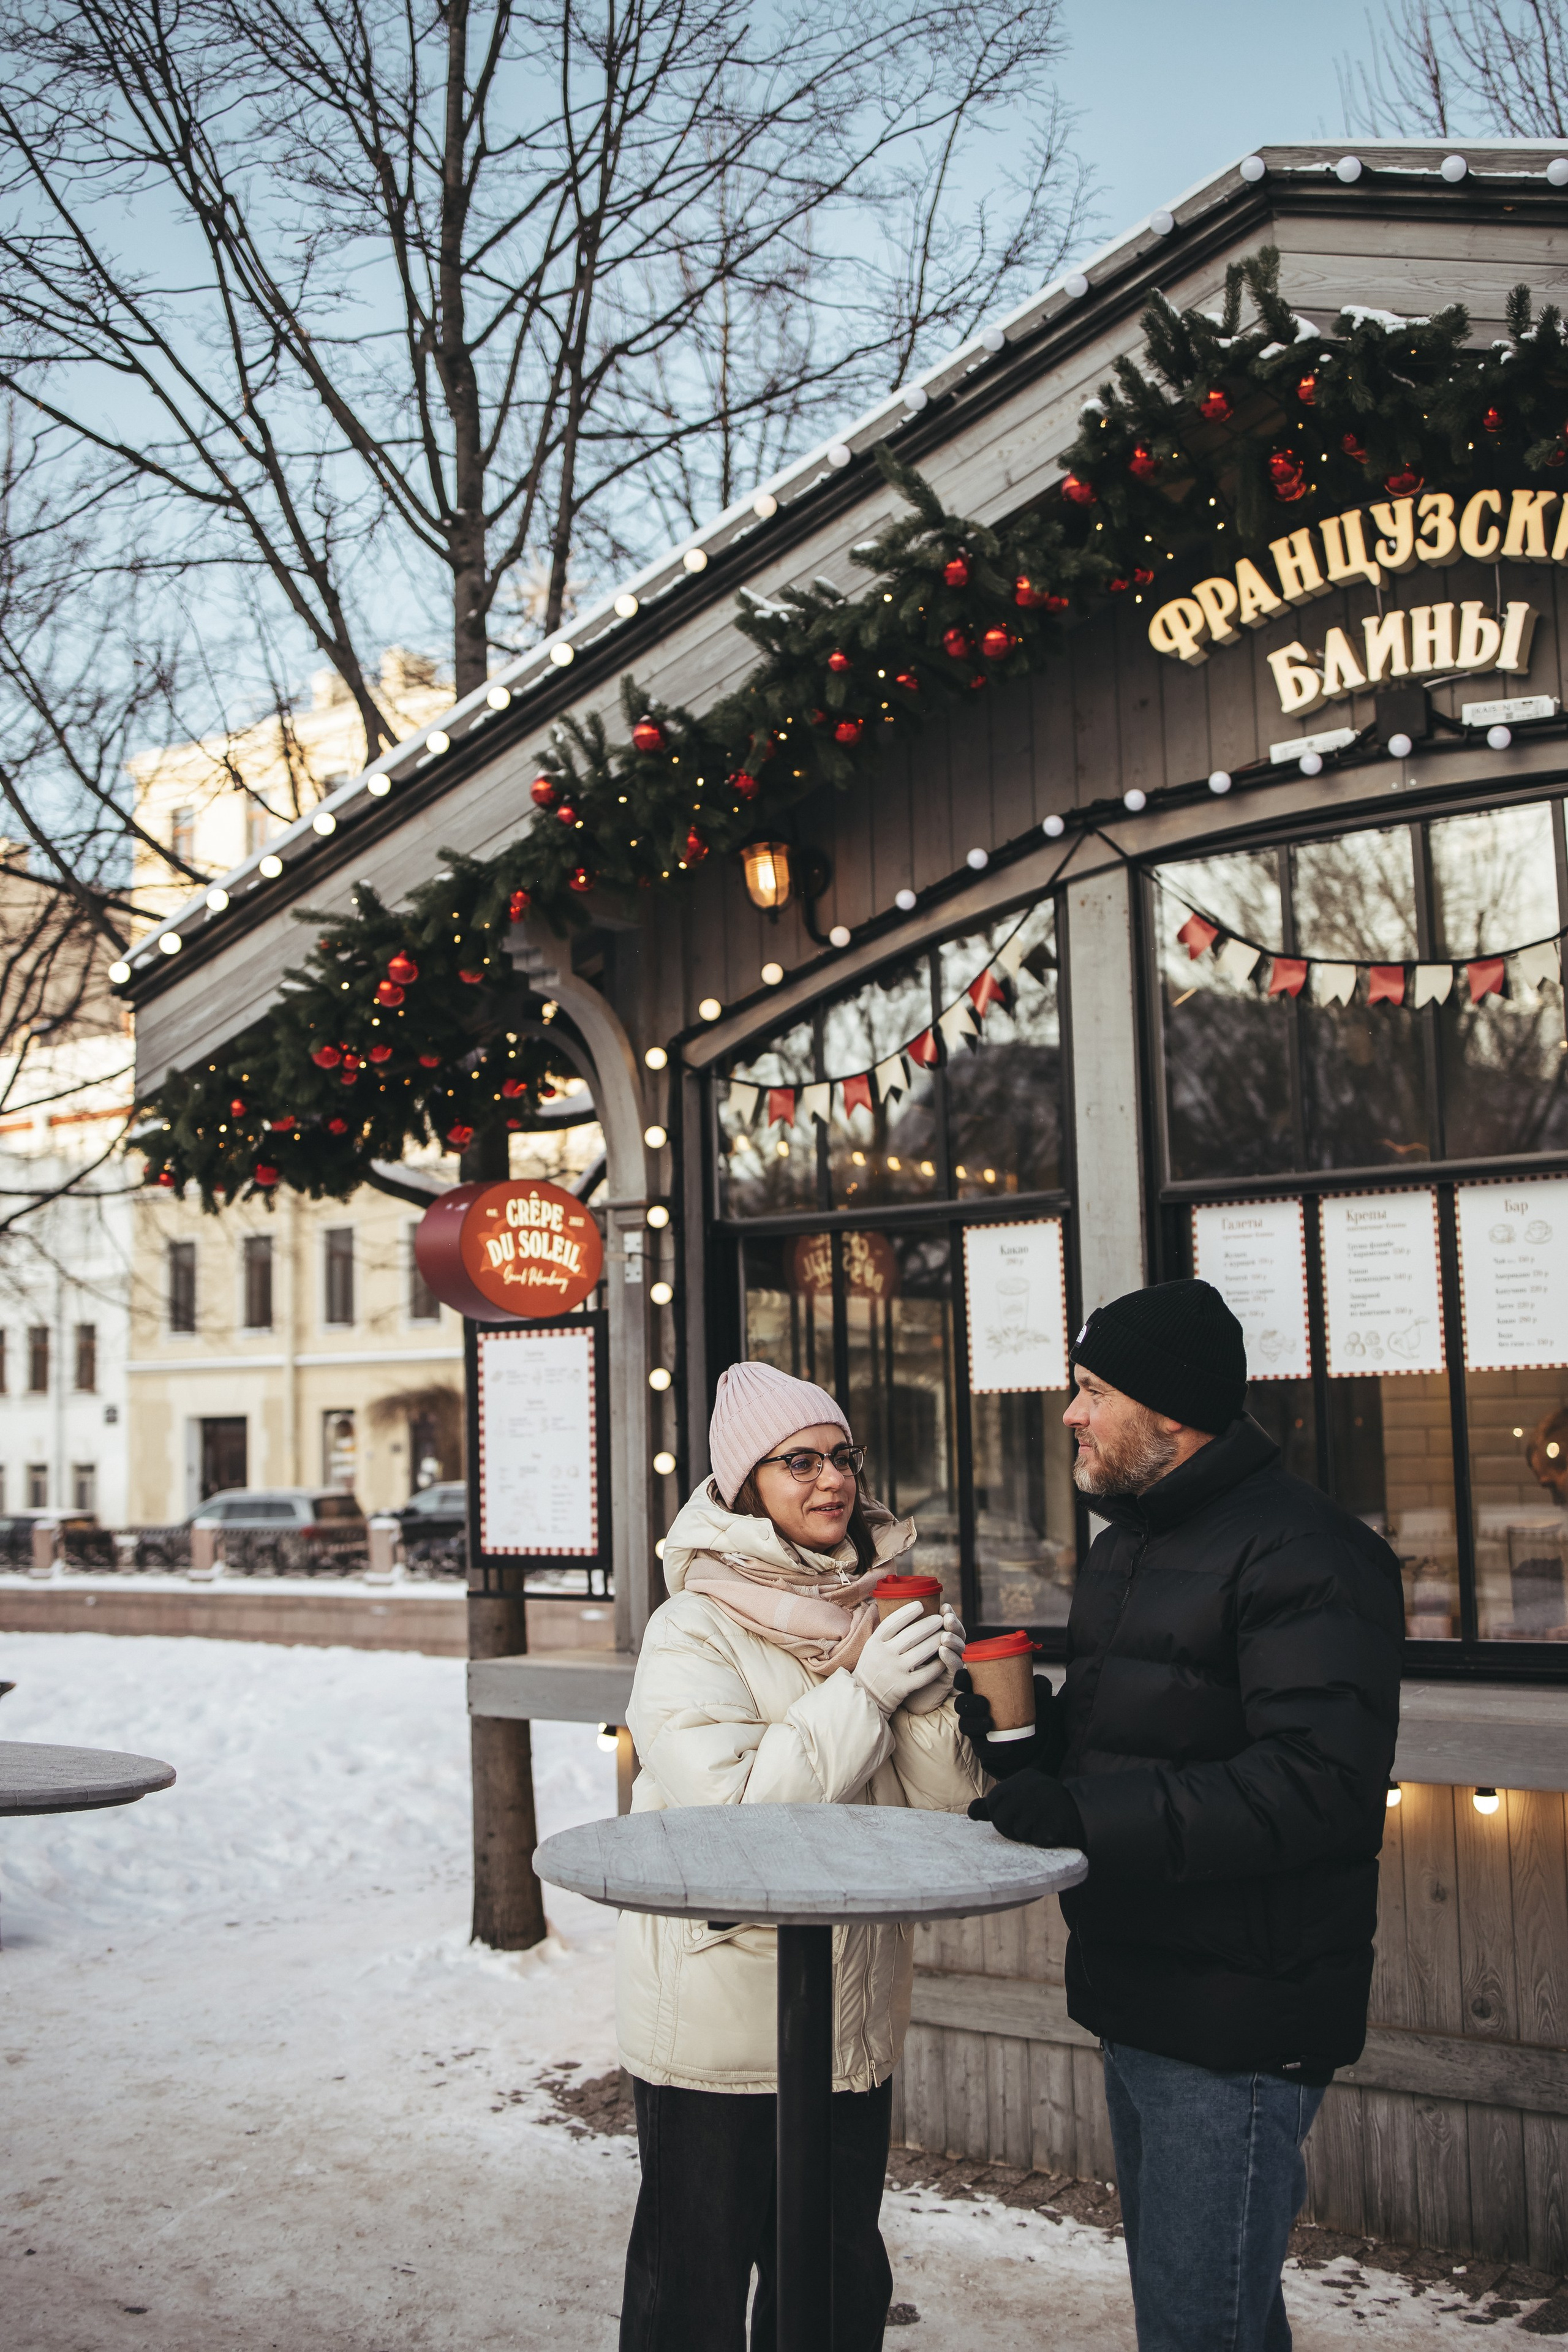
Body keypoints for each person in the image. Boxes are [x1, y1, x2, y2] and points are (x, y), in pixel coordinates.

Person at [956, 1279, 1403, 2352]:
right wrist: (1025, 1743)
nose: (1069, 1413)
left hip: (1241, 2014)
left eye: (1092, 1390)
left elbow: (1316, 1787)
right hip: (1142, 1990)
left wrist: (1083, 1815)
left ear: (1171, 1410)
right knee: (1217, 2319)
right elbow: (1137, 1743)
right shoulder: (1127, 1548)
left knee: (1196, 2329)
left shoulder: (1307, 1553)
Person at [617, 1360, 984, 2352]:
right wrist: (862, 1694)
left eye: (843, 1459)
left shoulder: (868, 1610)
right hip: (716, 2030)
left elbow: (943, 1820)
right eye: (800, 1463)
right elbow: (735, 1817)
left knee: (831, 2296)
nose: (833, 1483)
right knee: (688, 2300)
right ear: (745, 1487)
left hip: (847, 2022)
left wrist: (926, 1702)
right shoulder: (690, 1627)